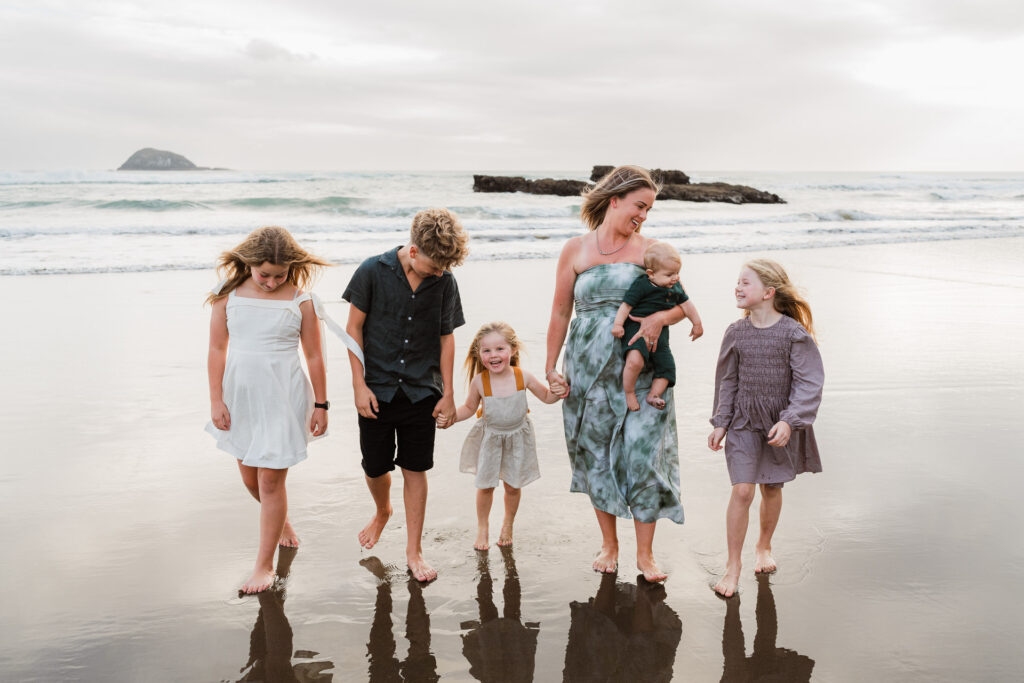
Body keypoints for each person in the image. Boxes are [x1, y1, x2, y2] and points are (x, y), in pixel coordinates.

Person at [545, 165, 693, 582]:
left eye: (649, 208)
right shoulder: (575, 249)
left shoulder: (652, 251)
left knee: (645, 455)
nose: (644, 215)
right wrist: (550, 367)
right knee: (597, 455)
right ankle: (610, 544)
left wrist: (660, 319)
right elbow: (560, 310)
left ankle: (645, 554)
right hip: (588, 372)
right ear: (614, 200)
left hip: (644, 369)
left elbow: (683, 304)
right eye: (639, 205)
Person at [343, 208, 470, 582]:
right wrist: (358, 385)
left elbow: (447, 339)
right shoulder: (371, 271)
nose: (441, 273)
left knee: (416, 468)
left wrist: (448, 393)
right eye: (435, 265)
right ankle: (383, 510)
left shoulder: (445, 282)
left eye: (446, 267)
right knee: (375, 466)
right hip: (377, 388)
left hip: (421, 390)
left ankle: (414, 550)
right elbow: (353, 330)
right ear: (413, 251)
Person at [206, 226, 330, 594]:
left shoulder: (302, 301)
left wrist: (321, 404)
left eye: (281, 275)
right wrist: (216, 399)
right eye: (264, 274)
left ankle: (264, 566)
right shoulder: (226, 296)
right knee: (249, 478)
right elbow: (216, 350)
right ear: (248, 264)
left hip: (283, 397)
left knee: (270, 481)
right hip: (240, 397)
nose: (273, 282)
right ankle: (282, 524)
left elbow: (313, 355)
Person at [708, 259, 824, 598]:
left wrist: (790, 420)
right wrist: (720, 422)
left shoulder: (793, 334)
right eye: (737, 282)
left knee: (771, 489)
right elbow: (727, 381)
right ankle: (733, 565)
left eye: (746, 282)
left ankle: (763, 545)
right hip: (743, 422)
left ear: (769, 292)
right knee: (742, 490)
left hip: (778, 422)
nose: (738, 288)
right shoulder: (736, 332)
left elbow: (808, 383)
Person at [451, 322, 561, 550]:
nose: (494, 355)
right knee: (485, 486)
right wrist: (450, 416)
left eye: (500, 349)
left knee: (512, 486)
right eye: (487, 350)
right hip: (490, 439)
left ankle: (508, 524)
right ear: (479, 354)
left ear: (512, 350)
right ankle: (483, 528)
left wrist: (559, 391)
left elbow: (548, 398)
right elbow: (469, 409)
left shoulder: (523, 377)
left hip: (518, 439)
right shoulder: (480, 382)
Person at [611, 240, 703, 411]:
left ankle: (654, 395)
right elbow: (626, 306)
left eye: (677, 273)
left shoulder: (675, 286)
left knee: (667, 367)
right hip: (635, 331)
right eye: (670, 274)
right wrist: (618, 324)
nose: (675, 278)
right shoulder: (642, 285)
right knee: (635, 361)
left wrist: (697, 323)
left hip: (660, 336)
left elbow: (687, 305)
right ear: (651, 274)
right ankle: (629, 392)